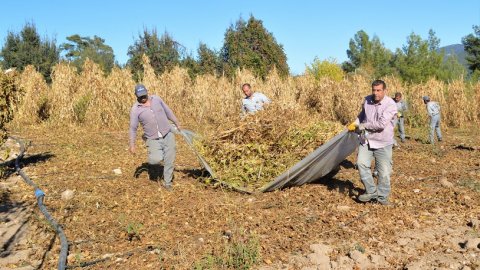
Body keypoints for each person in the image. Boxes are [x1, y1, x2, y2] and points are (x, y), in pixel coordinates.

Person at [347, 80, 397, 205]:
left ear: (385, 91)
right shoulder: (367, 100)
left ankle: (382, 198)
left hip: (383, 142)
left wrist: (363, 126)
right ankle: (371, 191)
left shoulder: (390, 104)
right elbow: (362, 115)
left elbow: (380, 125)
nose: (375, 93)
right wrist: (356, 122)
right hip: (367, 140)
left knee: (384, 172)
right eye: (373, 90)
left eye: (379, 90)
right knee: (361, 164)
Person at [129, 84, 181, 191]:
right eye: (140, 96)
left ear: (147, 92)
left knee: (169, 160)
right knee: (155, 160)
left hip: (167, 133)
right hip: (152, 138)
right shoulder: (135, 109)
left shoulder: (157, 99)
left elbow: (168, 111)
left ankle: (167, 183)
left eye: (144, 95)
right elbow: (133, 128)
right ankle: (149, 144)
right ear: (135, 95)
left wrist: (176, 122)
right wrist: (132, 145)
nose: (143, 97)